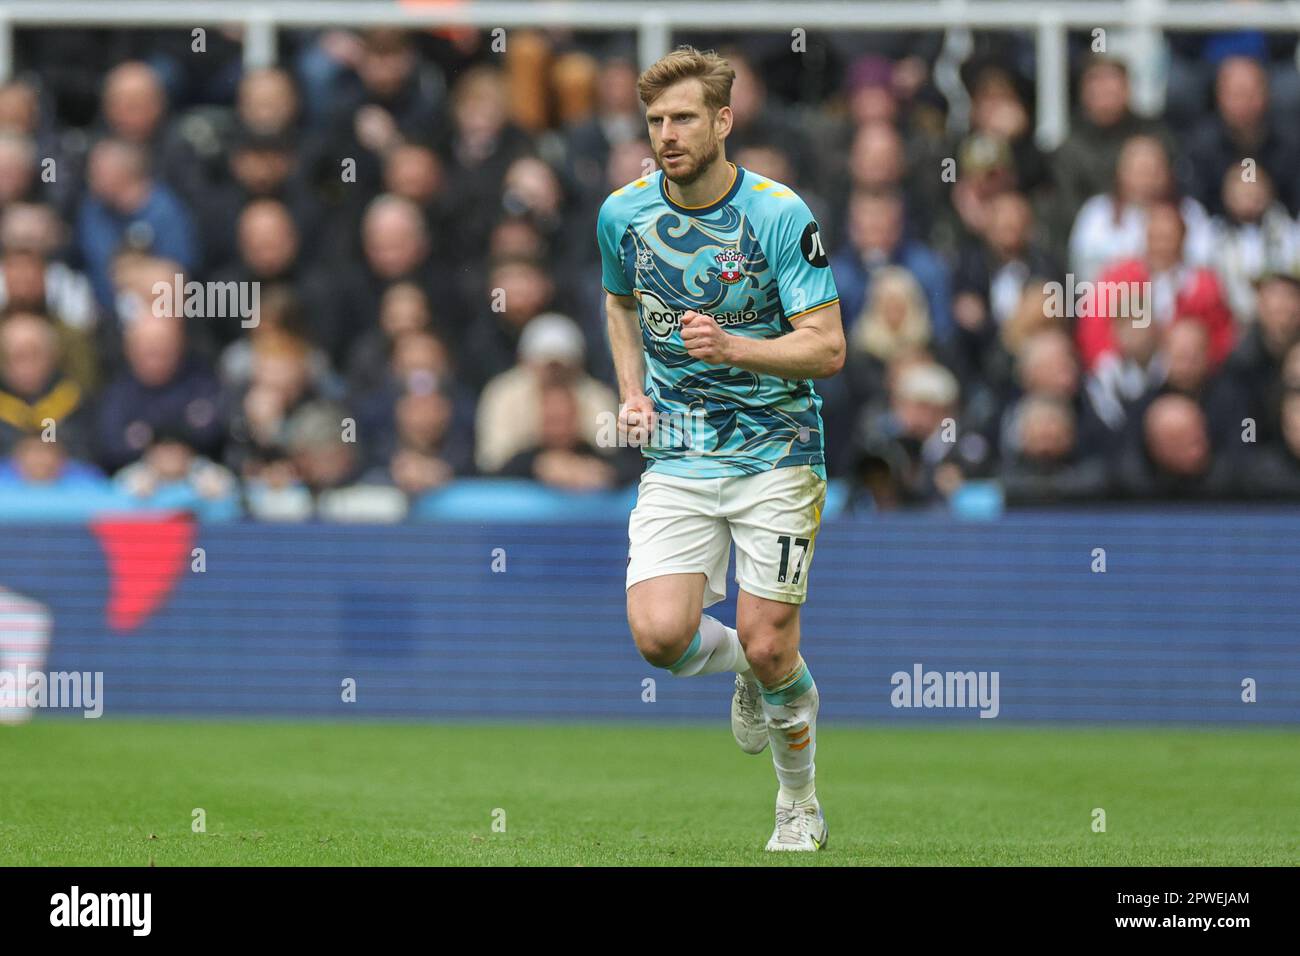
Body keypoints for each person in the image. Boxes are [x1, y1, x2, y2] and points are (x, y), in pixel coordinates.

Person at [596, 47, 845, 851]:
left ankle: (798, 803)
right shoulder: (622, 215)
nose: (667, 135)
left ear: (723, 121)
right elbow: (619, 302)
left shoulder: (778, 215)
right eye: (656, 121)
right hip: (680, 452)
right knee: (659, 636)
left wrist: (736, 348)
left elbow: (828, 347)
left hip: (778, 450)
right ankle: (744, 669)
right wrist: (631, 393)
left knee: (776, 643)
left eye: (683, 119)